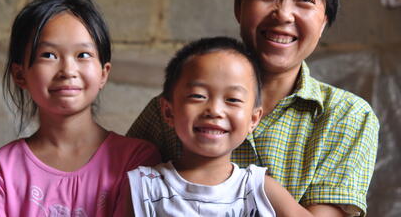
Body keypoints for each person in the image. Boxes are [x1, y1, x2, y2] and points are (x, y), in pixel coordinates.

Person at [127, 0, 380, 216]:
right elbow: (112, 185)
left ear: (325, 18)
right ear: (239, 4)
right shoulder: (172, 109)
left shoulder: (347, 116)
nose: (283, 14)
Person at [0, 0, 160, 217]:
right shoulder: (0, 171)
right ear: (20, 75)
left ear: (103, 73)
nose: (68, 71)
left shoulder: (136, 161)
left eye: (83, 54)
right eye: (48, 55)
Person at [128, 36, 316, 217]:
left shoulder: (260, 189)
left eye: (233, 99)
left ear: (253, 119)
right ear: (169, 112)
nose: (215, 110)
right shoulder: (144, 186)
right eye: (198, 96)